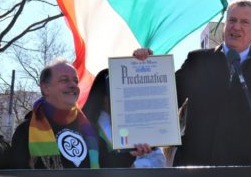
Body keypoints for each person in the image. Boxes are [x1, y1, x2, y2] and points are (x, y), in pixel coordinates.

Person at [133, 0, 251, 166]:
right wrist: (146, 65)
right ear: (225, 25)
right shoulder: (197, 61)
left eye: (244, 22)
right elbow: (164, 99)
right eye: (232, 20)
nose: (236, 27)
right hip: (194, 167)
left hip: (243, 171)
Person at [9, 59, 150, 169]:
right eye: (64, 80)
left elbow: (107, 165)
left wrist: (132, 153)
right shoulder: (26, 132)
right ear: (45, 88)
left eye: (75, 81)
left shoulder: (89, 129)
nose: (73, 85)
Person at [82, 69, 166, 167]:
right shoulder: (86, 126)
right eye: (117, 92)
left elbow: (159, 159)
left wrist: (136, 167)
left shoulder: (139, 123)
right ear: (103, 96)